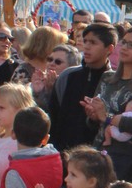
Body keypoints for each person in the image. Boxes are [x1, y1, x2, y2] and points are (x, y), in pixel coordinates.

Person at [83, 25, 132, 180]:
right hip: (98, 152)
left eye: (131, 45)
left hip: (124, 160)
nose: (124, 48)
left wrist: (108, 117)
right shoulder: (107, 77)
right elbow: (97, 122)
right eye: (123, 42)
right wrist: (92, 115)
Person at [48, 22, 115, 153]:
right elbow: (53, 116)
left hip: (94, 155)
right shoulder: (67, 76)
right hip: (61, 152)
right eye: (85, 41)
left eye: (93, 42)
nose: (87, 47)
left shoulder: (113, 83)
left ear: (109, 49)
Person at [11, 26, 66, 105]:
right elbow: (18, 102)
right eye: (58, 47)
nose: (61, 51)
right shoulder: (23, 71)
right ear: (46, 47)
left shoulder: (47, 70)